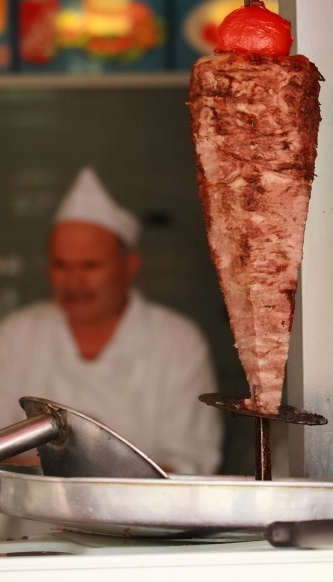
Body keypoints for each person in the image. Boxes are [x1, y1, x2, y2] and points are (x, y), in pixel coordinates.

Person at [0, 166, 223, 477]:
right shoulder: (16, 333)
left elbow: (192, 461)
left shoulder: (176, 340)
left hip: (139, 510)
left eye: (90, 266)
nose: (73, 282)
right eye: (60, 265)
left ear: (129, 266)